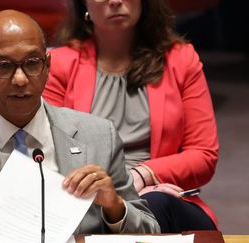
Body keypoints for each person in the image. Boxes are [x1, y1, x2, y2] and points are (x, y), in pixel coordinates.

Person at [0, 9, 159, 234]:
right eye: (4, 66)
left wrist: (114, 206)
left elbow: (151, 231)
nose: (20, 79)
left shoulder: (99, 137)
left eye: (32, 63)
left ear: (47, 67)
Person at [42, 0, 219, 233]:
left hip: (161, 198)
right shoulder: (59, 64)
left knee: (154, 205)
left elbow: (203, 154)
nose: (115, 1)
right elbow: (46, 151)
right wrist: (116, 191)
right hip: (87, 201)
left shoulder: (180, 59)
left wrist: (142, 176)